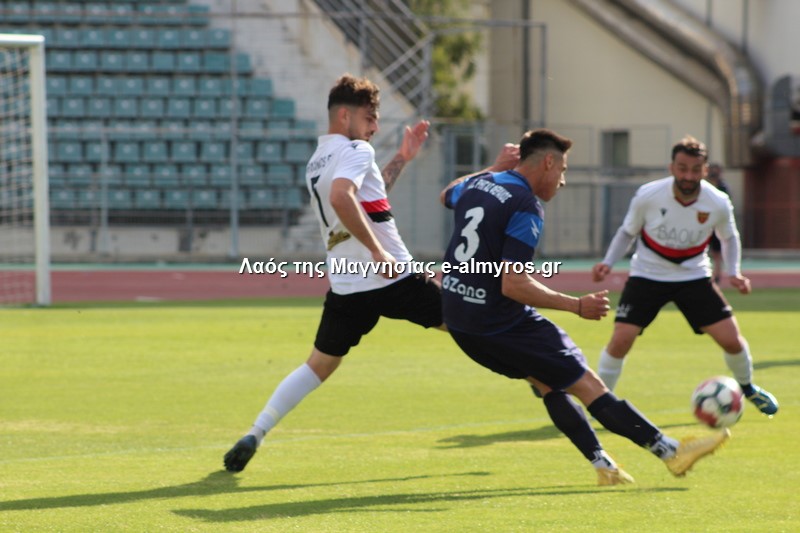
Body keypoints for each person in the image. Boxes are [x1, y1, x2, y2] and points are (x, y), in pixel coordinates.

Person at [223, 74, 517, 473]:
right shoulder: (357, 149)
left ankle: (256, 432)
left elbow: (368, 198)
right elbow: (342, 197)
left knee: (318, 366)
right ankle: (542, 377)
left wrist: (403, 158)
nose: (375, 126)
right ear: (345, 116)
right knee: (474, 319)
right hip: (392, 278)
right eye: (370, 117)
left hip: (347, 286)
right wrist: (379, 252)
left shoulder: (319, 159)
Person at [440, 128, 729, 486]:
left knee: (548, 383)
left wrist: (493, 168)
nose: (562, 181)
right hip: (499, 321)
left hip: (460, 319)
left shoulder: (480, 183)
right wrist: (576, 305)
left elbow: (446, 194)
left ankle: (603, 465)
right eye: (562, 170)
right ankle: (671, 451)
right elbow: (513, 284)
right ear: (548, 162)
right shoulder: (526, 205)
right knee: (588, 384)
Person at [592, 136, 779, 417]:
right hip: (647, 275)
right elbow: (627, 232)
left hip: (694, 277)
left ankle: (748, 387)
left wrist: (734, 272)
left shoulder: (717, 201)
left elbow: (729, 237)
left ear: (705, 170)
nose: (688, 176)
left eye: (695, 169)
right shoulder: (648, 195)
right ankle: (600, 401)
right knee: (621, 340)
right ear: (672, 168)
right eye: (682, 168)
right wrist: (608, 262)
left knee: (731, 340)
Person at [704, 163, 731, 283]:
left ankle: (717, 274)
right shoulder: (704, 187)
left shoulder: (722, 187)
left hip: (717, 223)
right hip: (705, 222)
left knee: (717, 251)